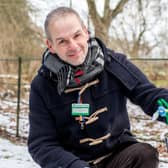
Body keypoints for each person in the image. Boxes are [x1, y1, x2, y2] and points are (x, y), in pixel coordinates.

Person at [28, 6, 168, 168]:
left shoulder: (114, 64)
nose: (73, 46)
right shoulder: (41, 86)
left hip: (118, 157)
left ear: (86, 32)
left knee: (144, 154)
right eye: (62, 41)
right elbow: (41, 144)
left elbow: (148, 94)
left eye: (77, 35)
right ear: (50, 45)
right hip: (73, 163)